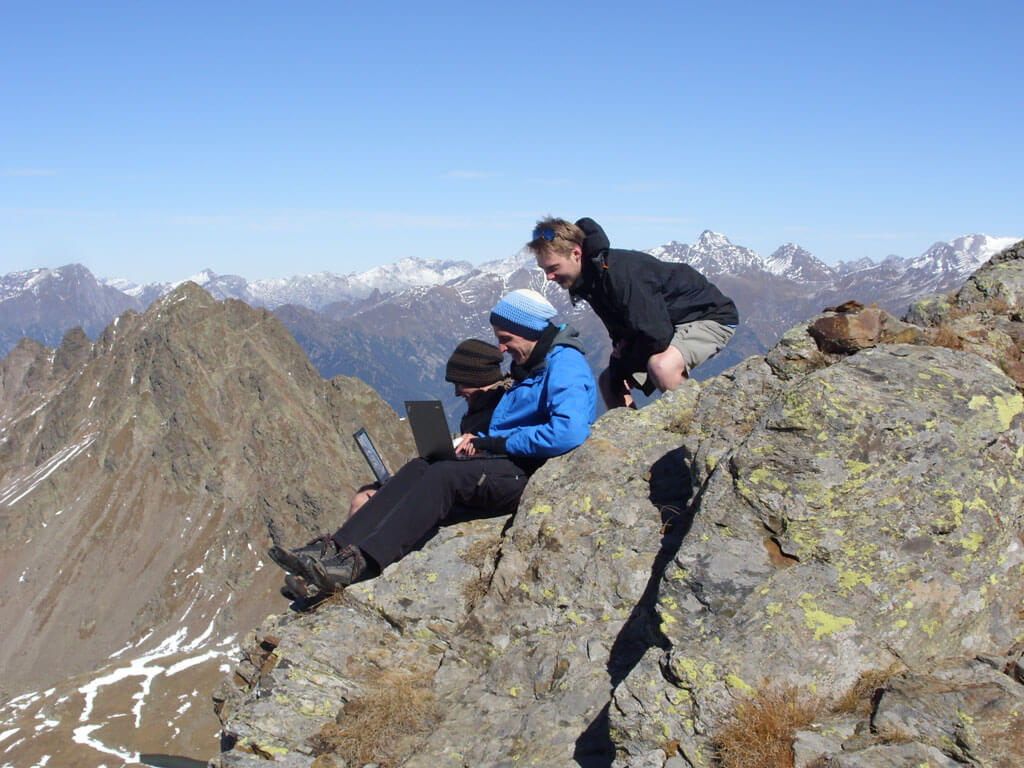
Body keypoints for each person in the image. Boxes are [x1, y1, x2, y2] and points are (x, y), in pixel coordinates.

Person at [269, 289, 597, 595]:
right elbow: (520, 424)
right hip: (505, 462)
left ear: (531, 330)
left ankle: (360, 562)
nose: (501, 349)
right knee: (422, 465)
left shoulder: (566, 366)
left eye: (505, 339)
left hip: (528, 473)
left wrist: (494, 443)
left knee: (443, 477)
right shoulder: (532, 363)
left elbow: (568, 431)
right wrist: (477, 441)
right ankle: (334, 549)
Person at [528, 217, 739, 409]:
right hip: (667, 325)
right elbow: (625, 329)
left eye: (553, 267)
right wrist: (621, 362)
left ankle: (699, 424)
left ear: (576, 253)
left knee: (662, 367)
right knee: (608, 382)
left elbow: (657, 335)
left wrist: (626, 361)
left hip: (708, 316)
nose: (549, 276)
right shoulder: (591, 279)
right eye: (544, 269)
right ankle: (630, 438)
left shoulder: (620, 274)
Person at [346, 338, 510, 518]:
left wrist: (478, 445)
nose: (456, 392)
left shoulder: (501, 409)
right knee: (366, 492)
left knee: (365, 501)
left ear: (476, 378)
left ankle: (349, 544)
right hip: (448, 478)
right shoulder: (479, 408)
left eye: (459, 383)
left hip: (463, 487)